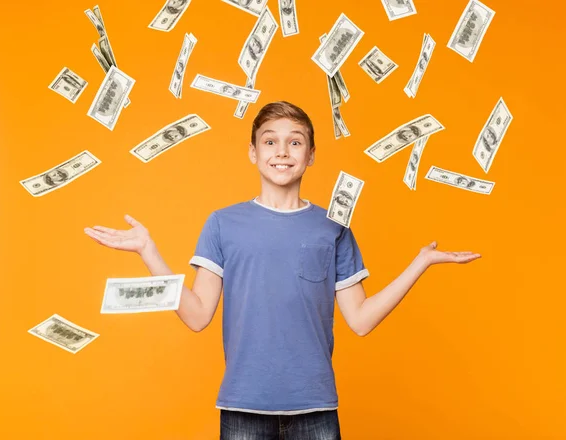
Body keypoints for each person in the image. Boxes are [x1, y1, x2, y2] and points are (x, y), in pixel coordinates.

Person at [84, 101, 481, 439]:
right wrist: (149, 251)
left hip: (316, 409)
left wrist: (420, 263)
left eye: (295, 142)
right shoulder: (222, 223)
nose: (282, 151)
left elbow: (360, 320)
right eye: (270, 141)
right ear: (253, 153)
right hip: (243, 408)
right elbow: (197, 315)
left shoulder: (334, 227)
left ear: (310, 155)